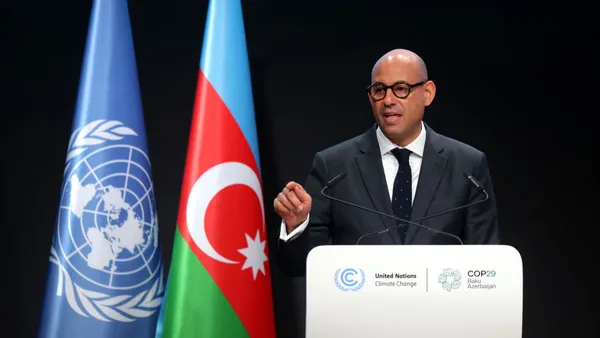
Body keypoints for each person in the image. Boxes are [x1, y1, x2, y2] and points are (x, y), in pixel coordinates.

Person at [273, 49, 500, 277]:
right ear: (370, 98)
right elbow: (297, 268)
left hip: (439, 309)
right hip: (361, 309)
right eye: (379, 90)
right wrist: (296, 226)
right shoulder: (334, 166)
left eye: (401, 89)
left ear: (428, 93)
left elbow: (487, 266)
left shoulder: (467, 166)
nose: (388, 101)